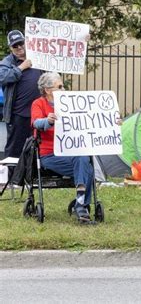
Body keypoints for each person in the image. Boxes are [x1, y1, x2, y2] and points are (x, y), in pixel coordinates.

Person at [31, 72, 95, 224]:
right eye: (60, 86)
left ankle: (80, 204)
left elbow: (88, 119)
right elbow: (35, 123)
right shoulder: (38, 103)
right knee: (86, 167)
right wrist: (48, 121)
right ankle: (81, 206)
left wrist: (111, 121)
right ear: (48, 90)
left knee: (87, 165)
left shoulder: (69, 103)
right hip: (49, 155)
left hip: (70, 151)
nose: (64, 89)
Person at [0, 30, 42, 159]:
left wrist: (81, 42)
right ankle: (9, 177)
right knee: (14, 148)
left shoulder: (38, 57)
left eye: (21, 43)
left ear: (26, 42)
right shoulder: (7, 62)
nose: (19, 47)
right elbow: (3, 77)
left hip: (38, 113)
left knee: (38, 147)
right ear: (10, 48)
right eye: (15, 45)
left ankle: (33, 176)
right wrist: (21, 68)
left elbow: (60, 58)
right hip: (18, 114)